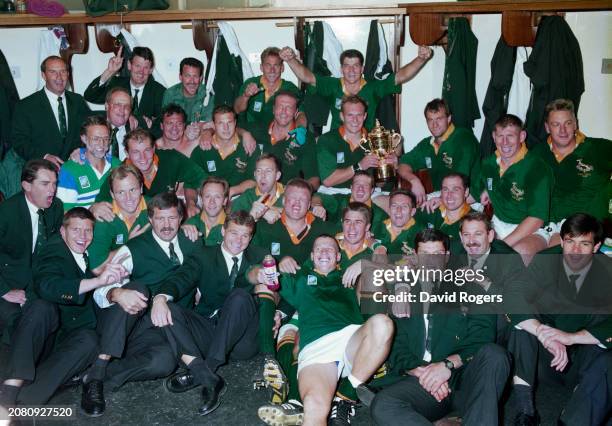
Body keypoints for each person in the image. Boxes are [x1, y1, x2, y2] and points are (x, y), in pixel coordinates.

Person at [369, 229, 510, 426]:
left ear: (447, 257)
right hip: (424, 382)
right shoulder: (402, 293)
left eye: (436, 255)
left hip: (465, 380)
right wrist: (424, 372)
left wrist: (447, 365)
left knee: (495, 354)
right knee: (383, 405)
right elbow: (396, 347)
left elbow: (483, 336)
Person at [259, 235, 394, 425]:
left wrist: (365, 263)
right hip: (316, 347)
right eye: (319, 249)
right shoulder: (299, 278)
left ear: (338, 256)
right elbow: (260, 279)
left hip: (351, 340)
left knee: (382, 324)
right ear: (312, 256)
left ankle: (347, 391)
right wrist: (269, 270)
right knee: (314, 408)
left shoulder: (348, 275)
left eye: (329, 249)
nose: (324, 252)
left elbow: (391, 269)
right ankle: (343, 392)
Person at [84, 192, 198, 416]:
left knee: (165, 363)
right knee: (136, 289)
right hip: (135, 324)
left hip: (169, 329)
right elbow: (100, 290)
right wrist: (117, 293)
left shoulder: (193, 243)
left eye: (172, 218)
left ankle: (98, 376)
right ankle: (97, 371)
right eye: (159, 219)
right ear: (150, 220)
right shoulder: (133, 249)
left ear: (181, 218)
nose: (166, 225)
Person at [0, 208, 126, 407]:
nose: (83, 237)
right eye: (76, 230)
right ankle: (10, 388)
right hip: (36, 337)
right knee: (43, 308)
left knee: (90, 341)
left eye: (88, 231)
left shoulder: (85, 255)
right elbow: (49, 286)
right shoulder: (53, 250)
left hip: (63, 341)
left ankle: (23, 406)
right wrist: (98, 281)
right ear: (62, 231)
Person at [150, 211, 267, 416]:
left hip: (241, 340)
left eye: (245, 235)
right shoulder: (203, 255)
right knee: (169, 309)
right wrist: (160, 298)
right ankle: (206, 376)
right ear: (222, 231)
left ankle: (206, 371)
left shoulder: (260, 256)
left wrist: (277, 314)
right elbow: (182, 278)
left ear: (251, 237)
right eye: (233, 233)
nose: (238, 241)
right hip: (208, 328)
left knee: (239, 296)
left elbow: (277, 291)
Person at [506, 213, 612, 426]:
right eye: (570, 242)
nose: (575, 251)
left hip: (585, 362)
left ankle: (573, 419)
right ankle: (525, 411)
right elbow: (513, 295)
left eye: (584, 244)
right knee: (521, 328)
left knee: (608, 359)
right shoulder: (546, 259)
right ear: (562, 241)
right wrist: (544, 334)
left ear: (597, 246)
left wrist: (571, 338)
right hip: (547, 357)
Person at [280, 46, 432, 130]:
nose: (351, 70)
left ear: (362, 68)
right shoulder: (333, 85)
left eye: (356, 66)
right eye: (347, 66)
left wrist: (421, 58)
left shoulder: (372, 88)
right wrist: (290, 59)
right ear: (341, 69)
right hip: (337, 143)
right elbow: (307, 77)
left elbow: (400, 76)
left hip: (366, 144)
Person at [529, 98, 612, 247]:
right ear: (547, 127)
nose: (563, 130)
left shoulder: (599, 149)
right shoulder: (537, 154)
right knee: (520, 253)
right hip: (544, 225)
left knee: (554, 256)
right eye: (556, 124)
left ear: (575, 124)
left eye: (567, 123)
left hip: (582, 228)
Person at [0, 159, 63, 340]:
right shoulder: (6, 212)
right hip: (9, 282)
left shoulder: (55, 207)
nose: (52, 190)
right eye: (45, 184)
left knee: (48, 319)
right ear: (26, 185)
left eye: (54, 183)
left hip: (39, 285)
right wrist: (4, 291)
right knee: (14, 321)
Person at [476, 114, 553, 262]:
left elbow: (537, 219)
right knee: (471, 245)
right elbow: (475, 190)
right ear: (493, 136)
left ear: (522, 136)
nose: (505, 142)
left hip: (532, 230)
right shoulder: (488, 163)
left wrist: (502, 246)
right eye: (500, 136)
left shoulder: (537, 167)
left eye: (510, 136)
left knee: (516, 256)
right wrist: (487, 190)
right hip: (497, 224)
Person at [92, 128, 205, 220]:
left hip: (169, 220)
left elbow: (201, 179)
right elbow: (98, 204)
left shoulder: (171, 159)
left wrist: (190, 202)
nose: (143, 158)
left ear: (154, 148)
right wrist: (94, 208)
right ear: (127, 153)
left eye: (147, 150)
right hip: (138, 226)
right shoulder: (119, 175)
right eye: (136, 152)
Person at [11, 56, 90, 168]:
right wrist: (44, 156)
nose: (59, 77)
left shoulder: (78, 101)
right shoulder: (26, 106)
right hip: (41, 170)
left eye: (63, 71)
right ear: (43, 75)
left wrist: (81, 150)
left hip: (75, 168)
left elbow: (88, 131)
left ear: (68, 74)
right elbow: (19, 141)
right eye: (53, 72)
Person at [398, 99, 479, 205]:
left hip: (468, 197)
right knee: (401, 205)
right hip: (440, 196)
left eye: (439, 119)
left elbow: (459, 181)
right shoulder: (427, 144)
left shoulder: (464, 138)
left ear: (449, 118)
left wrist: (440, 201)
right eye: (430, 120)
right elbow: (403, 164)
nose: (434, 124)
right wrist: (414, 180)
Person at [316, 95, 399, 189]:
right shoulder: (327, 140)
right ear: (342, 116)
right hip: (334, 195)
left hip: (366, 195)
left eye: (359, 115)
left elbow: (379, 185)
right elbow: (328, 180)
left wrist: (391, 167)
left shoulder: (375, 141)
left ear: (365, 116)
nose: (355, 120)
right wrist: (359, 166)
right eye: (350, 115)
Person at [247, 90, 319, 189]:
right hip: (252, 192)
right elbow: (233, 126)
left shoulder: (304, 138)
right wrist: (245, 134)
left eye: (288, 107)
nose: (283, 112)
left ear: (296, 112)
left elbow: (313, 178)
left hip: (284, 196)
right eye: (280, 106)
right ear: (273, 109)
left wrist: (298, 193)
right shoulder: (258, 128)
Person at [84, 46, 165, 130]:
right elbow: (90, 95)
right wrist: (110, 71)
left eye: (146, 67)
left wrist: (142, 121)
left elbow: (163, 124)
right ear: (129, 65)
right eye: (137, 66)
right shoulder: (116, 84)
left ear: (151, 70)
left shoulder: (160, 92)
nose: (141, 71)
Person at [87, 164, 149, 270]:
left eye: (133, 190)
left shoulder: (157, 208)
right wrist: (128, 246)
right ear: (112, 194)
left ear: (141, 188)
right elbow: (97, 268)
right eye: (121, 192)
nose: (128, 198)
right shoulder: (103, 218)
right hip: (117, 277)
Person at [190, 105, 256, 198]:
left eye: (229, 122)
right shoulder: (202, 149)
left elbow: (254, 180)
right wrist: (191, 203)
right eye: (221, 123)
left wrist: (231, 192)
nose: (226, 128)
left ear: (235, 122)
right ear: (213, 125)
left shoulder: (248, 146)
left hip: (239, 196)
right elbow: (190, 184)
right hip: (208, 197)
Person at [57, 115, 121, 210]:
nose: (102, 144)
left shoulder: (117, 165)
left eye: (106, 139)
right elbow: (65, 214)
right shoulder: (69, 170)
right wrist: (91, 211)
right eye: (96, 139)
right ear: (84, 139)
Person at [235, 47, 304, 127]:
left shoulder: (290, 88)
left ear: (282, 68)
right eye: (268, 65)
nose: (272, 70)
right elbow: (237, 110)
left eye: (276, 65)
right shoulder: (251, 83)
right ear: (261, 67)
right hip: (249, 134)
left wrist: (299, 130)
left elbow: (301, 114)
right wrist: (245, 96)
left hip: (279, 136)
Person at [417, 173, 475, 243]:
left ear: (466, 192)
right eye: (445, 189)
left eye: (455, 189)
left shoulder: (475, 221)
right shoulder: (431, 209)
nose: (449, 195)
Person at [314, 170, 388, 226]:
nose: (360, 189)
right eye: (357, 184)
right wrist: (317, 206)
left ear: (372, 190)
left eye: (365, 185)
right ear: (351, 187)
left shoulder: (379, 215)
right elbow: (316, 197)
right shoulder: (340, 201)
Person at [231, 153, 285, 224]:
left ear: (277, 176)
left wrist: (282, 212)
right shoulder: (246, 199)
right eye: (259, 171)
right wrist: (252, 217)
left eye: (268, 171)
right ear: (255, 175)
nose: (263, 175)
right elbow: (232, 228)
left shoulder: (289, 193)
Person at [162, 57, 213, 124]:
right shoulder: (170, 94)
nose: (192, 81)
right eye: (187, 76)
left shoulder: (208, 95)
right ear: (180, 77)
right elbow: (166, 123)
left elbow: (208, 124)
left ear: (201, 78)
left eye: (195, 76)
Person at [371, 189, 424, 255]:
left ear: (412, 212)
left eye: (404, 206)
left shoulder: (421, 233)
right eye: (394, 205)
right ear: (389, 209)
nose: (398, 210)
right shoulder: (377, 226)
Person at [182, 176, 230, 246]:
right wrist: (180, 233)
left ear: (225, 201)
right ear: (201, 200)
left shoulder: (231, 227)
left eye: (217, 197)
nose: (212, 202)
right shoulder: (190, 224)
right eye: (207, 196)